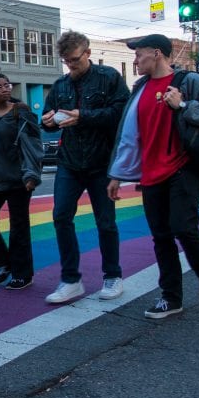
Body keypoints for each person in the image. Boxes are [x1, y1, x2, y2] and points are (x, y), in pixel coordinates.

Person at [107, 34, 199, 319]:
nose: (135, 61)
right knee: (161, 237)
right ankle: (171, 298)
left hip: (183, 168)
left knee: (183, 227)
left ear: (157, 54)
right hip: (150, 174)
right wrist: (117, 174)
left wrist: (185, 106)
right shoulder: (139, 89)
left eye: (139, 55)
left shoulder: (192, 83)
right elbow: (128, 136)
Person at [41, 31, 130, 304]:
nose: (71, 66)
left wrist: (83, 117)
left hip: (101, 161)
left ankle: (112, 275)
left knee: (105, 222)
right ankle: (71, 280)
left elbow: (122, 113)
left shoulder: (109, 77)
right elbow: (47, 118)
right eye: (66, 61)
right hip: (69, 160)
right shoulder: (60, 85)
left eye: (75, 60)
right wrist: (48, 121)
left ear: (88, 53)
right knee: (61, 217)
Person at [0, 74, 43, 291]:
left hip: (18, 180)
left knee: (19, 228)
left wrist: (31, 175)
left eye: (7, 85)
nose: (5, 89)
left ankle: (23, 275)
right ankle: (5, 261)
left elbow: (32, 144)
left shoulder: (20, 112)